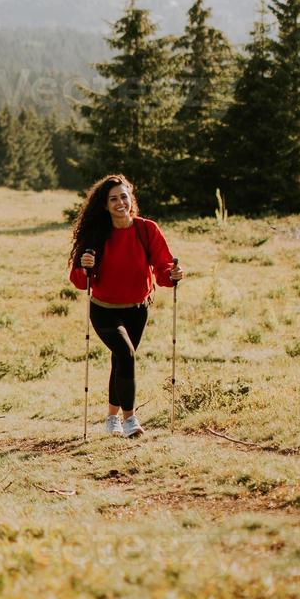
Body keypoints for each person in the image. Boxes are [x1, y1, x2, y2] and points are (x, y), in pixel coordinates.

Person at [68, 173, 183, 438]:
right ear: (105, 205)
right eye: (113, 199)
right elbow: (78, 279)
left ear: (131, 198)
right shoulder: (97, 235)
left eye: (123, 196)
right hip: (104, 309)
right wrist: (85, 268)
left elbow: (163, 268)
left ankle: (111, 418)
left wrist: (173, 275)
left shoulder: (147, 230)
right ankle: (130, 419)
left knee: (121, 360)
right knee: (126, 354)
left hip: (137, 309)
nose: (120, 202)